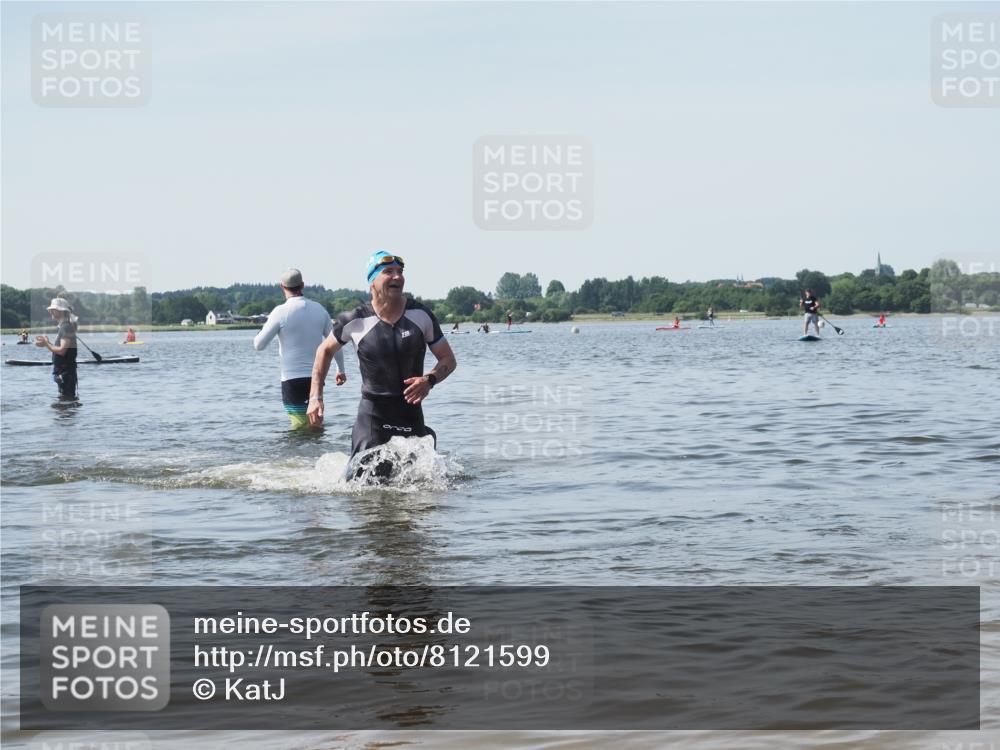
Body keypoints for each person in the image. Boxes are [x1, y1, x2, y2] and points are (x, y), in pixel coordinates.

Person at [307, 251, 457, 479]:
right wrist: (315, 397)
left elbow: (448, 359)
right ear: (372, 282)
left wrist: (430, 380)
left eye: (400, 272)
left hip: (411, 415)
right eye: (388, 272)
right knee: (360, 487)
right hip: (373, 416)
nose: (397, 277)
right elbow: (324, 350)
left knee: (419, 490)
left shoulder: (421, 315)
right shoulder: (355, 320)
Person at [254, 268, 346, 428]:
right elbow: (334, 343)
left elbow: (259, 345)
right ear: (302, 285)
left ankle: (301, 454)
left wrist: (263, 328)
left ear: (281, 286)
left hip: (292, 380)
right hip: (317, 379)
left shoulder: (280, 312)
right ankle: (318, 452)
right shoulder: (319, 310)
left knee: (299, 427)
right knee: (315, 424)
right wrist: (340, 370)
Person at [35, 297, 78, 400]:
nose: (50, 311)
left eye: (53, 309)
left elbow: (62, 351)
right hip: (64, 372)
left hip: (66, 373)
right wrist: (48, 342)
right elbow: (61, 349)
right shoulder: (65, 327)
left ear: (60, 311)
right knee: (65, 401)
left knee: (66, 401)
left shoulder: (66, 327)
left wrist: (46, 344)